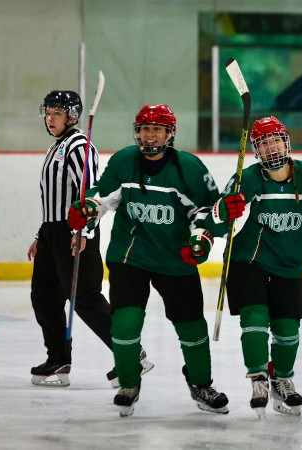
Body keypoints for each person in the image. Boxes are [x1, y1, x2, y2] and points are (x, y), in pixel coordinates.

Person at [69, 104, 240, 417]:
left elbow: (207, 211)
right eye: (145, 128)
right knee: (125, 320)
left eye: (157, 129)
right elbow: (103, 196)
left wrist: (201, 238)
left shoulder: (189, 168)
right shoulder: (124, 160)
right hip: (130, 254)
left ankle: (201, 384)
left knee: (191, 327)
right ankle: (129, 384)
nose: (150, 135)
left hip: (176, 258)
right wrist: (89, 210)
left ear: (169, 133)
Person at [200, 116, 302, 418]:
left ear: (286, 142)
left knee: (288, 329)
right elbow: (219, 215)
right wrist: (216, 222)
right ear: (256, 149)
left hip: (288, 262)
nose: (271, 148)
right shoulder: (248, 177)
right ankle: (258, 379)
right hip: (247, 261)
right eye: (264, 143)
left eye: (276, 140)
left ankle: (282, 378)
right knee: (255, 319)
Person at [30, 91, 151, 387]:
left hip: (76, 232)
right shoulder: (57, 146)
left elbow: (90, 192)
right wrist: (41, 234)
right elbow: (55, 198)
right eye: (48, 112)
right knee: (44, 298)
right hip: (53, 233)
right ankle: (58, 359)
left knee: (85, 299)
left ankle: (132, 354)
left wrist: (82, 230)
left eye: (57, 113)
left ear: (72, 116)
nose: (50, 118)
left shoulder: (79, 147)